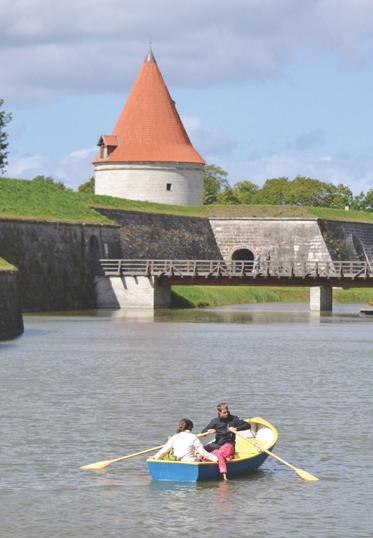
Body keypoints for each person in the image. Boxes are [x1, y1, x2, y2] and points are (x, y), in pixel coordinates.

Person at [201, 402, 251, 480]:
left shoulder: (234, 419)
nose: (227, 413)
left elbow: (247, 425)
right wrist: (208, 431)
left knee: (222, 449)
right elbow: (203, 433)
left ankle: (218, 457)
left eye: (227, 411)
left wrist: (236, 428)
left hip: (229, 445)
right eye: (224, 412)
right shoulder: (215, 421)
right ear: (219, 412)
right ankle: (206, 459)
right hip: (217, 444)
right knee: (201, 449)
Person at [153, 418, 219, 463]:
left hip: (178, 461)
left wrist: (155, 457)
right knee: (199, 457)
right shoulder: (193, 437)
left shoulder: (174, 437)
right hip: (190, 461)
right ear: (190, 428)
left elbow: (164, 450)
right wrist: (216, 459)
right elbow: (202, 452)